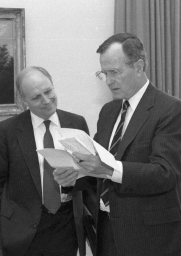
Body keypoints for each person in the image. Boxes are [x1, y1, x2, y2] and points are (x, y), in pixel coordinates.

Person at [73, 33, 181, 256]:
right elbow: (99, 163)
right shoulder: (108, 111)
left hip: (150, 237)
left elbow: (165, 173)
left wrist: (110, 169)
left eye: (115, 72)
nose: (109, 80)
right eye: (104, 73)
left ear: (139, 66)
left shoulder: (170, 110)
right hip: (106, 231)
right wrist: (75, 174)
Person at [0, 66, 93, 256]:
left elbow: (90, 174)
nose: (46, 100)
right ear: (23, 100)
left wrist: (74, 180)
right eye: (36, 97)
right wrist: (6, 224)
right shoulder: (5, 132)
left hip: (66, 226)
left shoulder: (77, 123)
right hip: (22, 231)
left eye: (48, 91)